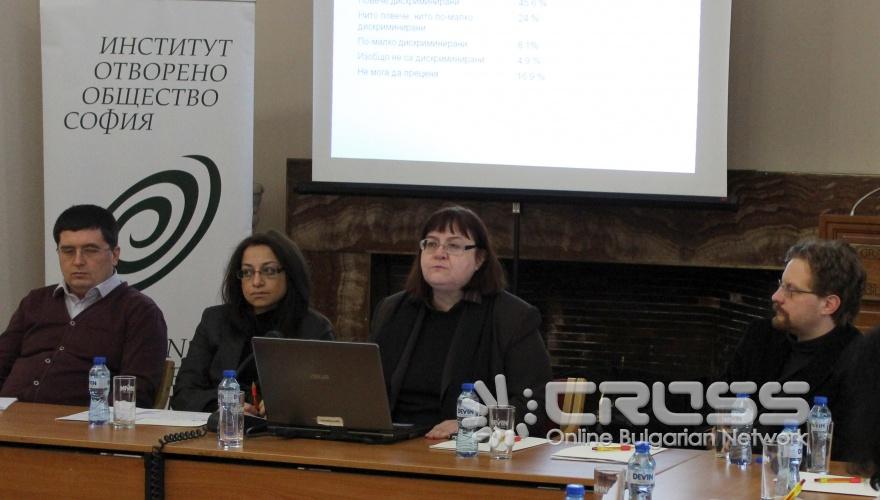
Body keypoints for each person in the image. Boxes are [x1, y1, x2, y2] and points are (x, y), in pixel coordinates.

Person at [370, 205, 553, 439]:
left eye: (454, 245)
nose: (439, 253)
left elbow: (534, 404)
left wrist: (474, 425)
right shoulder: (392, 309)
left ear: (479, 259)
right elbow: (366, 387)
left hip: (467, 447)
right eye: (431, 243)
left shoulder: (512, 317)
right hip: (394, 443)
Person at [0, 204, 167, 407]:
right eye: (68, 251)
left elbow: (135, 391)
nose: (78, 261)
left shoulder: (139, 311)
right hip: (9, 415)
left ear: (115, 255)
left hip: (82, 422)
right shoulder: (35, 301)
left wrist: (96, 419)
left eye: (90, 250)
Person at [721, 238, 865, 456]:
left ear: (828, 304)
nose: (776, 296)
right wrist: (717, 432)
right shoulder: (760, 336)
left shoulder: (860, 361)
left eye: (791, 290)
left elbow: (843, 452)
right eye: (781, 284)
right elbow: (722, 401)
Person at [171, 230, 334, 414]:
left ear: (290, 274)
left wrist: (289, 406)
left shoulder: (314, 329)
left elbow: (329, 399)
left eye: (269, 271)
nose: (256, 282)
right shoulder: (215, 321)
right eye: (247, 272)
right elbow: (183, 394)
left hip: (283, 431)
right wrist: (224, 406)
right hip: (224, 428)